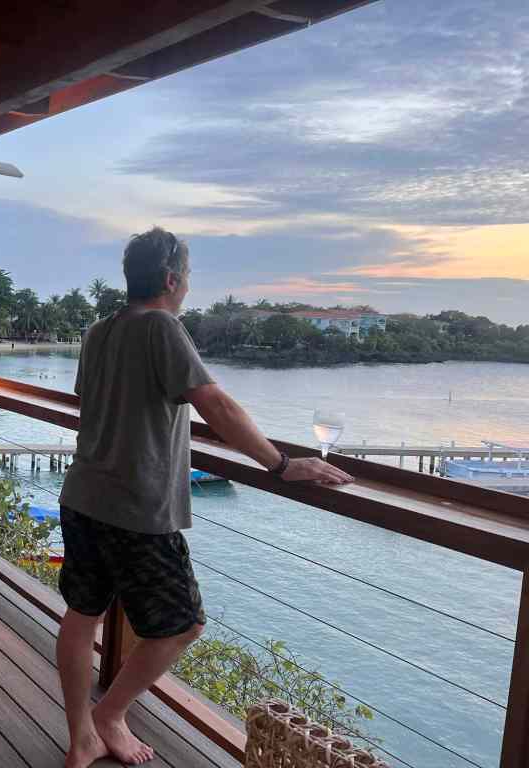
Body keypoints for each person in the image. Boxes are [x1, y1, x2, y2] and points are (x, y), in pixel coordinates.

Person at [56, 227, 353, 768]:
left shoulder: (99, 330)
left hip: (82, 495)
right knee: (183, 625)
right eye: (187, 277)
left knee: (82, 615)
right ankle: (110, 715)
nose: (186, 287)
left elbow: (104, 403)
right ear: (171, 279)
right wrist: (282, 465)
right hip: (135, 509)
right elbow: (215, 403)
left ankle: (81, 737)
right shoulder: (163, 327)